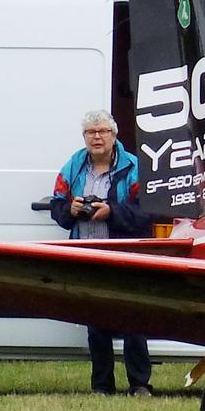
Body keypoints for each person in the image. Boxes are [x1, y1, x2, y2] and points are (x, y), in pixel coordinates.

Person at [51, 111, 154, 396]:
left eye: (102, 131)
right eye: (91, 132)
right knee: (95, 322)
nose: (97, 137)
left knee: (133, 320)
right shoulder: (73, 167)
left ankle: (140, 383)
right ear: (84, 137)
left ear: (114, 135)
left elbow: (147, 210)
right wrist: (69, 211)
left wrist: (111, 211)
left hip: (125, 255)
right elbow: (57, 204)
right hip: (87, 254)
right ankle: (102, 385)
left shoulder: (134, 166)